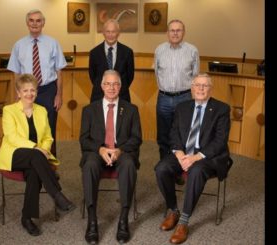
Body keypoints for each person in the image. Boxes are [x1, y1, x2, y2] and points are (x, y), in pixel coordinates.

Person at [155, 73, 231, 244]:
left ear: (210, 89)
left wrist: (195, 157)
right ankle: (173, 210)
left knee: (196, 171)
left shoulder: (221, 109)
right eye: (197, 85)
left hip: (207, 156)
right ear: (192, 88)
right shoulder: (183, 107)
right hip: (184, 153)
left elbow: (220, 141)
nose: (201, 89)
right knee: (161, 168)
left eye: (205, 86)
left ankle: (183, 222)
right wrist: (180, 154)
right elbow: (173, 133)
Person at [0, 74, 75, 236]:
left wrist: (44, 149)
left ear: (37, 92)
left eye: (32, 90)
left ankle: (26, 218)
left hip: (36, 157)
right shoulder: (9, 110)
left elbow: (47, 136)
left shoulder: (41, 111)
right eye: (25, 90)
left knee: (34, 173)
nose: (29, 94)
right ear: (18, 93)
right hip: (14, 155)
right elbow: (12, 137)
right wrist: (36, 148)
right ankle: (57, 194)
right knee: (35, 156)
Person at [79, 70, 142, 244]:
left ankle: (123, 219)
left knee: (129, 164)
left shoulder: (131, 109)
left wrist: (119, 150)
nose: (111, 88)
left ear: (121, 87)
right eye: (108, 84)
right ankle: (92, 221)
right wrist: (99, 149)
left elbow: (136, 138)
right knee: (90, 164)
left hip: (122, 152)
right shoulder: (89, 110)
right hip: (97, 152)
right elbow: (84, 139)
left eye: (115, 84)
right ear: (101, 86)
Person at [7, 9, 67, 157]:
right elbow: (16, 72)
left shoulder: (53, 43)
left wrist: (59, 94)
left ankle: (51, 164)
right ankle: (32, 163)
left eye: (38, 20)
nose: (35, 23)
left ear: (43, 23)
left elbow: (59, 71)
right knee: (29, 127)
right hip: (27, 91)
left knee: (49, 128)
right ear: (27, 23)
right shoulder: (18, 45)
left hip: (48, 90)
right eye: (32, 20)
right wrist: (18, 93)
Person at [154, 19, 200, 160]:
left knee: (182, 134)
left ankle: (179, 168)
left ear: (183, 32)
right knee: (163, 135)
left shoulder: (192, 51)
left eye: (178, 30)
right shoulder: (159, 50)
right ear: (167, 33)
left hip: (184, 98)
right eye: (172, 30)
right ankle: (164, 166)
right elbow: (157, 74)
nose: (175, 33)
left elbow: (196, 76)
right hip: (164, 98)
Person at [89, 19, 135, 103]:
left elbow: (130, 76)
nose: (110, 35)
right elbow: (93, 77)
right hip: (99, 96)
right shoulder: (94, 53)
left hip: (122, 96)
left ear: (118, 33)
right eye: (108, 31)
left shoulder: (127, 52)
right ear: (103, 33)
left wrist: (117, 88)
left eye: (113, 32)